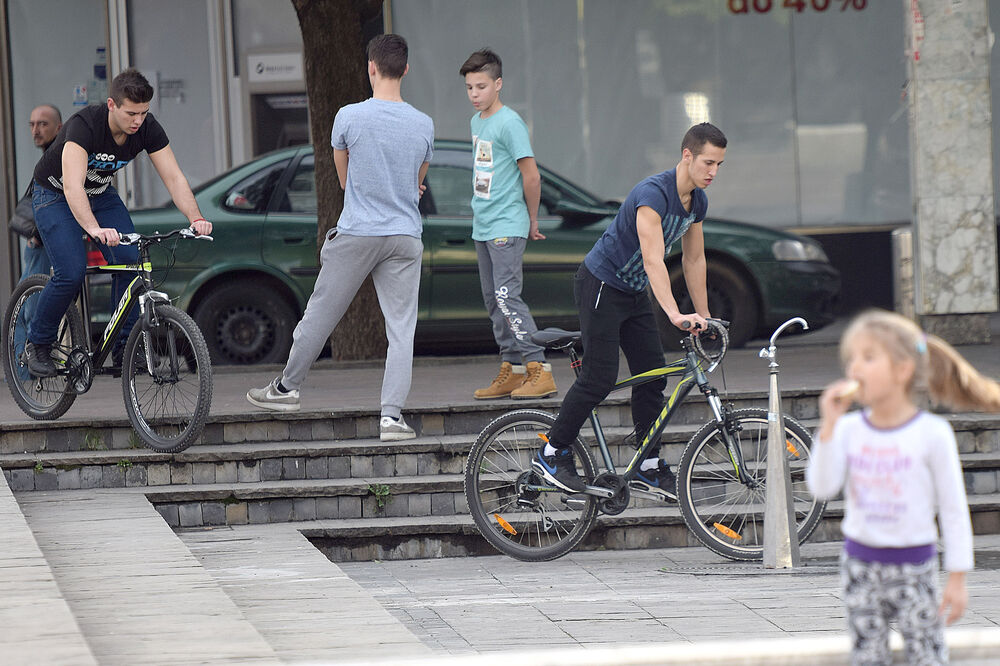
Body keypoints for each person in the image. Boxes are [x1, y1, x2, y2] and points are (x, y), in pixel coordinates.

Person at [247, 34, 434, 443]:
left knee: (320, 316)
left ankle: (286, 389)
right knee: (402, 329)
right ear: (405, 70)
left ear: (370, 67)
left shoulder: (348, 116)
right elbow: (417, 182)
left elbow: (345, 178)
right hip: (404, 235)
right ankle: (391, 418)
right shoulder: (424, 124)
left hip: (358, 231)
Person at [532, 123, 726, 496]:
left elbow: (694, 258)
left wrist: (704, 316)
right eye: (707, 162)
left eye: (719, 165)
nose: (713, 172)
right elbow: (654, 261)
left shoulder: (697, 201)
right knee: (599, 378)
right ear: (687, 155)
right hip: (601, 284)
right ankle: (552, 451)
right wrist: (673, 313)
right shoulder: (653, 194)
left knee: (653, 377)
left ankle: (647, 465)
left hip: (634, 291)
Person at [808, 309, 998, 665]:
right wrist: (828, 428)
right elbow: (821, 487)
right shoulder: (848, 430)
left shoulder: (932, 433)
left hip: (915, 564)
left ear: (902, 369)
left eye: (868, 357)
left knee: (926, 654)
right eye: (852, 360)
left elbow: (954, 508)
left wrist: (957, 578)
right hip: (860, 565)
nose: (855, 369)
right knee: (868, 656)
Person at [24, 69, 212, 377]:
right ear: (112, 105)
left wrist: (196, 218)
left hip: (99, 194)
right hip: (55, 195)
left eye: (143, 113)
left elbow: (174, 177)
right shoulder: (85, 125)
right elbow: (72, 186)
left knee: (132, 263)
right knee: (70, 271)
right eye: (130, 113)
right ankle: (38, 343)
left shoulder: (146, 128)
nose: (137, 120)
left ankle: (124, 347)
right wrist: (94, 229)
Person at [460, 49, 556, 400]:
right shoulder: (477, 122)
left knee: (506, 296)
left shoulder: (510, 123)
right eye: (469, 87)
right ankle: (513, 368)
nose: (474, 94)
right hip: (483, 224)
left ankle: (538, 368)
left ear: (498, 84)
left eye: (481, 86)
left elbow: (531, 176)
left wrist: (531, 219)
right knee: (492, 299)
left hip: (507, 224)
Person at [9, 105, 62, 381]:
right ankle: (26, 374)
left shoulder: (58, 154)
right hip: (42, 240)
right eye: (31, 124)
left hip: (44, 241)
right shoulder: (50, 155)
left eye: (42, 124)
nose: (35, 130)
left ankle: (25, 376)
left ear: (59, 127)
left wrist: (38, 235)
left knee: (25, 308)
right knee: (25, 305)